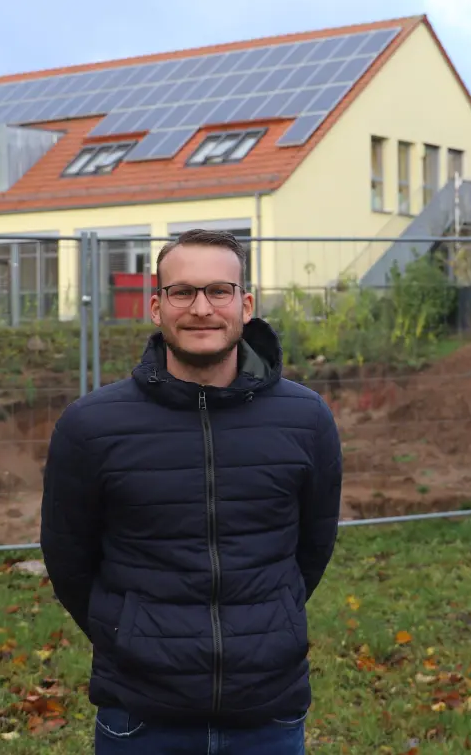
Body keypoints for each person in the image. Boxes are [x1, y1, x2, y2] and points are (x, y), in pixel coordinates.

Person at [40, 228, 344, 754]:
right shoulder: (90, 426)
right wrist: (130, 634)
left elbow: (312, 547)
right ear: (156, 307)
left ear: (245, 304)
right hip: (140, 716)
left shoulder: (306, 418)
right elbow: (68, 557)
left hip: (266, 712)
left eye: (219, 291)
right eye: (182, 292)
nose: (201, 308)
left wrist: (271, 623)